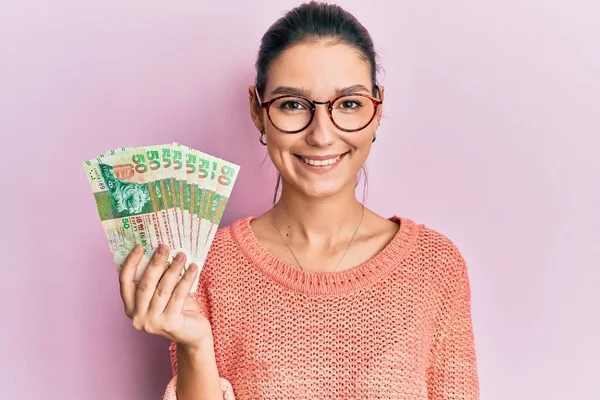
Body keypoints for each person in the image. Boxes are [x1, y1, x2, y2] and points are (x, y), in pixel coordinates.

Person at [118, 1, 480, 399]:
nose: (322, 135)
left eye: (349, 104)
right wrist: (196, 346)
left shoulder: (434, 266)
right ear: (258, 110)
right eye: (293, 104)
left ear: (377, 109)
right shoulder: (208, 266)